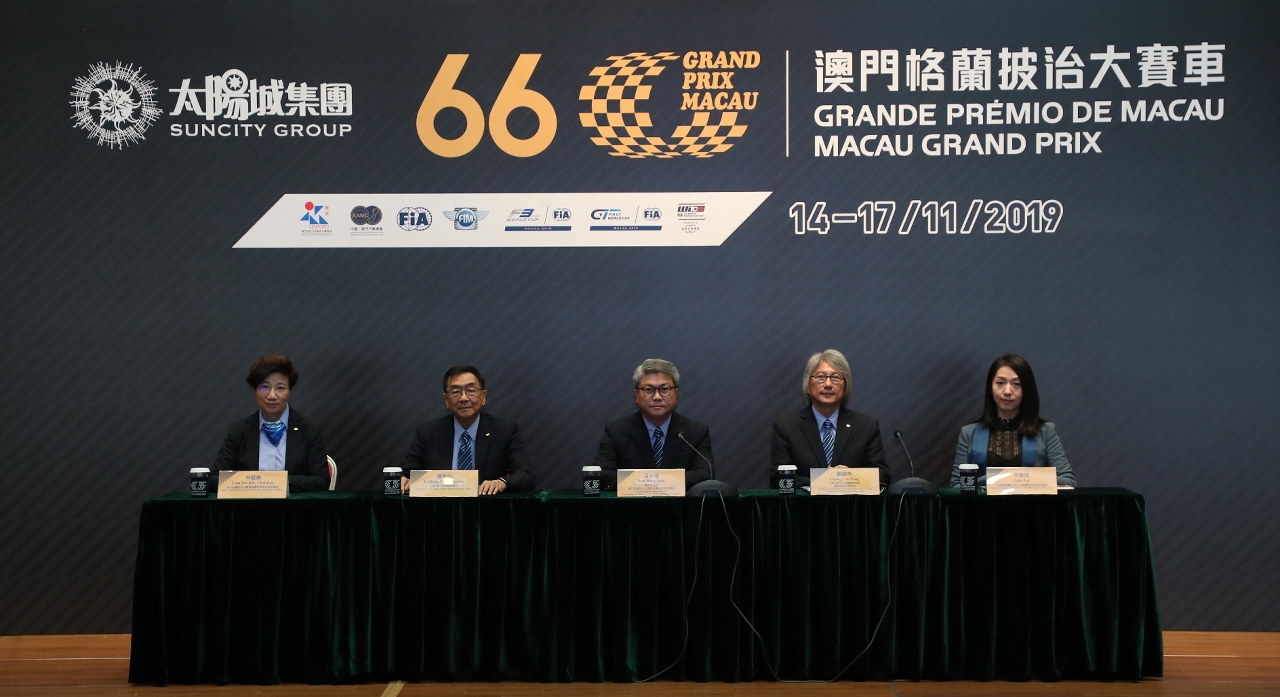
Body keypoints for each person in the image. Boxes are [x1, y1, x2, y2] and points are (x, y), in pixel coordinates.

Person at [400, 365, 535, 494]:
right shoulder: (428, 432)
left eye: (471, 390)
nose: (463, 398)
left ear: (483, 396)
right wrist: (403, 479)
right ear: (446, 399)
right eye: (455, 392)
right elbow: (405, 472)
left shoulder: (503, 430)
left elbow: (526, 475)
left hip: (486, 507)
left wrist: (501, 482)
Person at [770, 349, 889, 489]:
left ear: (846, 387)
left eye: (835, 378)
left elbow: (883, 477)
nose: (828, 384)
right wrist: (827, 481)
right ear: (807, 385)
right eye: (820, 377)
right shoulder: (786, 427)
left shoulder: (866, 427)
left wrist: (851, 477)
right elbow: (779, 480)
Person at [951, 354, 1077, 486]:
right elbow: (956, 485)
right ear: (990, 387)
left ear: (1026, 390)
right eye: (1000, 383)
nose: (1007, 391)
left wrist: (1017, 478)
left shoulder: (1046, 432)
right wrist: (994, 480)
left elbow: (1068, 481)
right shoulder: (969, 433)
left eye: (1016, 384)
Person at [214, 354, 331, 493]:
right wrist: (253, 484)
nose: (272, 396)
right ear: (255, 390)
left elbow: (321, 480)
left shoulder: (309, 430)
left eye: (280, 388)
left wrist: (277, 483)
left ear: (290, 391)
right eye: (264, 387)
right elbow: (215, 479)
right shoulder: (238, 431)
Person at [593, 358, 712, 490]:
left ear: (676, 394)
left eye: (665, 389)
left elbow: (705, 474)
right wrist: (656, 483)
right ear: (636, 394)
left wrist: (651, 481)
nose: (657, 397)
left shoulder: (696, 431)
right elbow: (602, 474)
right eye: (648, 390)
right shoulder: (616, 431)